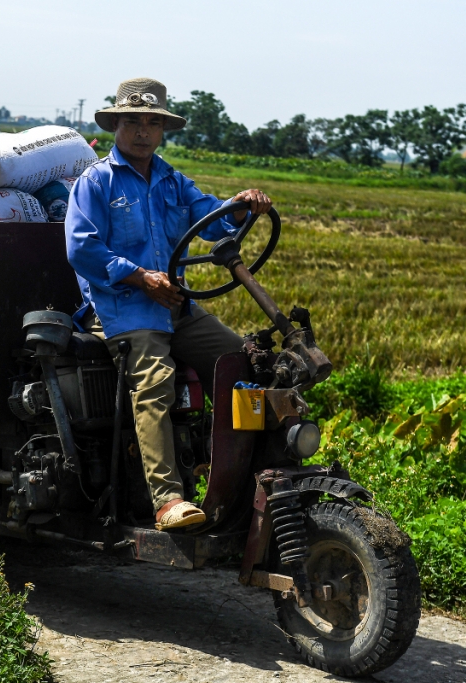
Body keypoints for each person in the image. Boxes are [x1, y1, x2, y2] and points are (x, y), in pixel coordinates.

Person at [65, 77, 272, 531]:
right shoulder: (96, 181)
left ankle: (245, 481)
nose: (142, 131)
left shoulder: (172, 181)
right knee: (156, 378)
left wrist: (240, 206)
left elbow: (214, 220)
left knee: (242, 364)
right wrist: (140, 277)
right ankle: (168, 500)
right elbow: (82, 248)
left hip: (176, 307)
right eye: (133, 122)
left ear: (162, 131)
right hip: (123, 310)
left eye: (152, 123)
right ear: (117, 126)